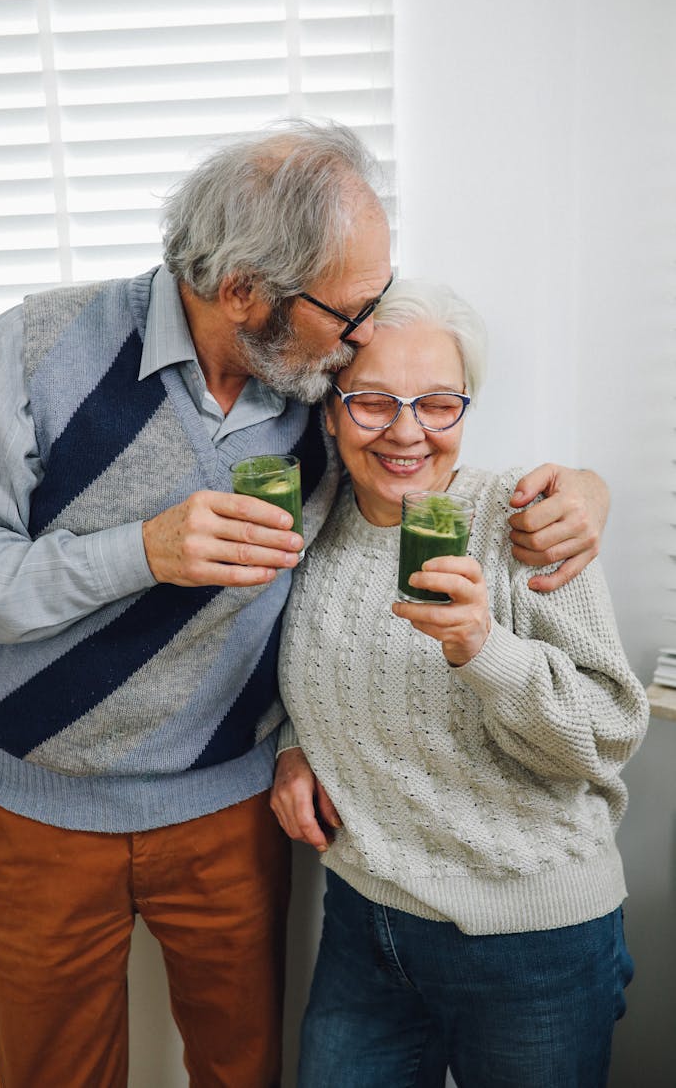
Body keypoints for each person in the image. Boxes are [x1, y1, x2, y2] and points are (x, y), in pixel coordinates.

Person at [0, 121, 608, 1088]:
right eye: (350, 305)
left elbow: (418, 468)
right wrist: (142, 552)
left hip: (229, 811)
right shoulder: (35, 347)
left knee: (242, 1071)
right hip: (41, 814)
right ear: (244, 291)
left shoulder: (325, 386)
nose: (366, 329)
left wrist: (586, 488)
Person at [271, 279, 649, 1088]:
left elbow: (610, 730)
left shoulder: (526, 520)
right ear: (332, 408)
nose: (407, 431)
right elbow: (306, 667)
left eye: (439, 402)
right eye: (373, 400)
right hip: (365, 924)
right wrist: (296, 745)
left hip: (531, 942)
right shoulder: (310, 521)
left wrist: (485, 647)